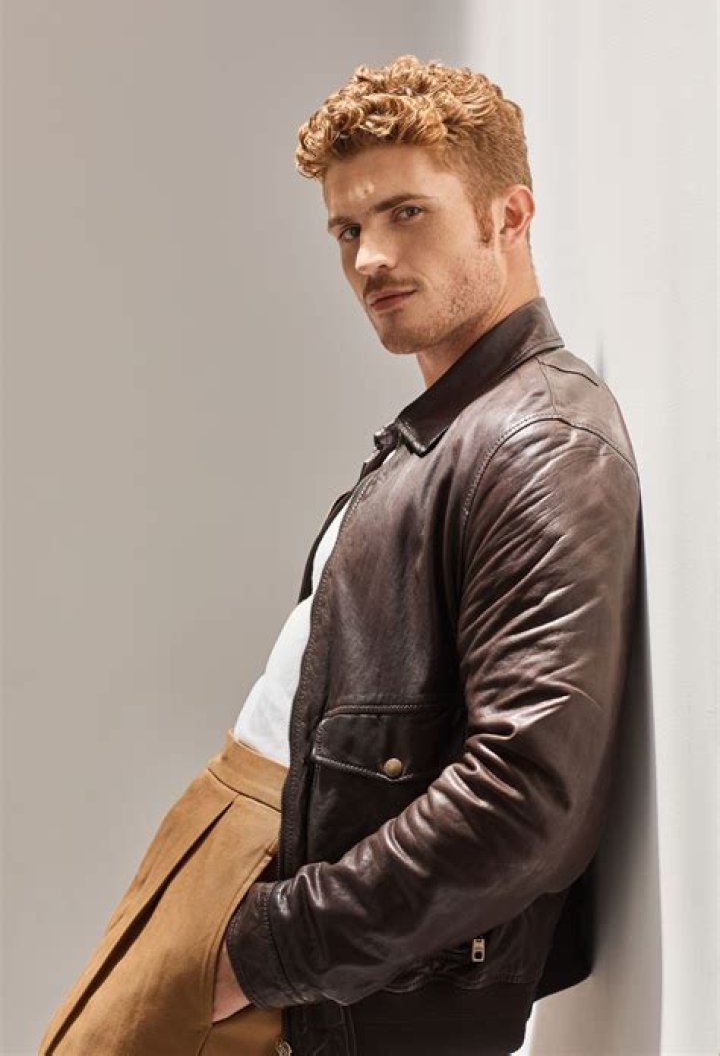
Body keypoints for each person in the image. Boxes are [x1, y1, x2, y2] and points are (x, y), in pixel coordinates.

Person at [39, 54, 641, 1056]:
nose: (370, 258)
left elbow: (526, 796)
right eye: (348, 229)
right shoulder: (455, 428)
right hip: (234, 866)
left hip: (291, 934)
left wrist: (267, 950)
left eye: (407, 213)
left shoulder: (538, 442)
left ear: (509, 215)